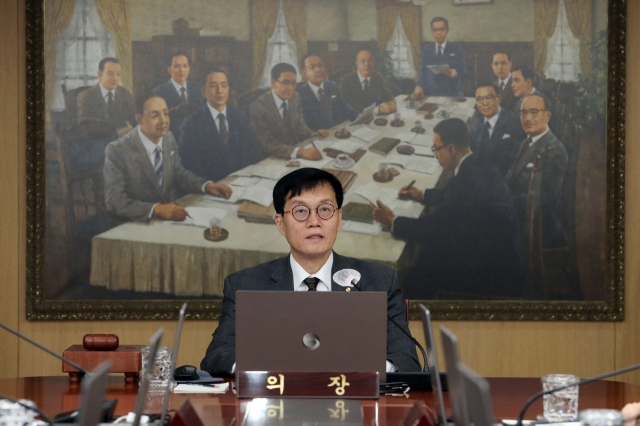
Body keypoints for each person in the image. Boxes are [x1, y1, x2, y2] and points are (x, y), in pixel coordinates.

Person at [200, 168, 421, 376]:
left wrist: (363, 370)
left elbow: (406, 361)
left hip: (355, 406)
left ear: (339, 218)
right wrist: (259, 370)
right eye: (300, 211)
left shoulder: (379, 282)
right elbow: (217, 356)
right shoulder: (244, 285)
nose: (314, 221)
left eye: (325, 209)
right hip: (273, 406)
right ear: (280, 224)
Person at [371, 118, 524, 300]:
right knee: (425, 257)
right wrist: (422, 194)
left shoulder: (461, 183)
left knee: (414, 276)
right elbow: (457, 198)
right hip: (499, 252)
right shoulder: (479, 165)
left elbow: (431, 229)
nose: (436, 155)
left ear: (451, 148)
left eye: (436, 148)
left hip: (491, 272)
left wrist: (392, 220)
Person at [103, 93, 232, 224]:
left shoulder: (168, 138)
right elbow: (115, 201)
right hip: (137, 222)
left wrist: (206, 185)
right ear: (139, 118)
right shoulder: (117, 150)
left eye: (166, 113)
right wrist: (156, 209)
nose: (163, 120)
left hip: (170, 218)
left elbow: (178, 173)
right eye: (155, 115)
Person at [179, 69, 263, 182]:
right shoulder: (191, 123)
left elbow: (251, 153)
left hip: (241, 181)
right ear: (203, 91)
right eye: (213, 86)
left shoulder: (240, 116)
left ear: (228, 89)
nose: (219, 91)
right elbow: (190, 164)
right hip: (210, 185)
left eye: (224, 85)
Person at [506, 94, 568, 247]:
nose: (527, 118)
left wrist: (501, 203)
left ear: (548, 116)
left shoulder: (555, 150)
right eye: (523, 113)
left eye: (534, 112)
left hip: (539, 226)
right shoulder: (528, 142)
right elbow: (511, 177)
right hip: (518, 212)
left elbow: (542, 200)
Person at [250, 63, 328, 160]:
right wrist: (299, 152)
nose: (291, 88)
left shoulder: (295, 97)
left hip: (296, 155)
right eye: (285, 82)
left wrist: (312, 134)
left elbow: (299, 125)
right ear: (273, 82)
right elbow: (268, 143)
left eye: (293, 83)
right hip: (272, 158)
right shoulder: (258, 107)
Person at [296, 54, 359, 130]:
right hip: (315, 137)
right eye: (312, 67)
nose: (318, 70)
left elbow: (344, 107)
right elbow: (300, 124)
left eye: (320, 65)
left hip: (335, 132)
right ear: (304, 73)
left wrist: (359, 117)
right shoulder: (299, 94)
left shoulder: (333, 86)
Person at [471, 83, 522, 177]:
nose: (485, 103)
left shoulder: (514, 121)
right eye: (480, 99)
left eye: (489, 97)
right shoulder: (479, 122)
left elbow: (516, 160)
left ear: (498, 98)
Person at [411, 17, 468, 99]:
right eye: (435, 30)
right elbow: (422, 71)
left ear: (447, 30)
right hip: (430, 93)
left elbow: (464, 69)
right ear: (432, 31)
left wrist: (454, 72)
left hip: (451, 93)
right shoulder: (426, 50)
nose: (439, 33)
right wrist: (419, 87)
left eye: (442, 29)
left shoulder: (456, 48)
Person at [153, 52, 204, 139]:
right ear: (169, 69)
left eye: (185, 66)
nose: (181, 70)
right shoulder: (159, 92)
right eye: (177, 66)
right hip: (171, 139)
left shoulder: (196, 87)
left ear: (189, 69)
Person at [77, 57, 135, 129]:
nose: (115, 78)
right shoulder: (85, 96)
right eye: (110, 74)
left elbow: (134, 120)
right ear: (100, 74)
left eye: (118, 74)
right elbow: (85, 127)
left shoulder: (125, 93)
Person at [340, 49, 396, 114]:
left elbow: (388, 96)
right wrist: (377, 110)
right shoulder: (346, 80)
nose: (367, 64)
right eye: (363, 61)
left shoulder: (377, 77)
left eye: (370, 61)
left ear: (374, 63)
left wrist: (392, 103)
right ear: (357, 64)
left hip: (373, 119)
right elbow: (350, 106)